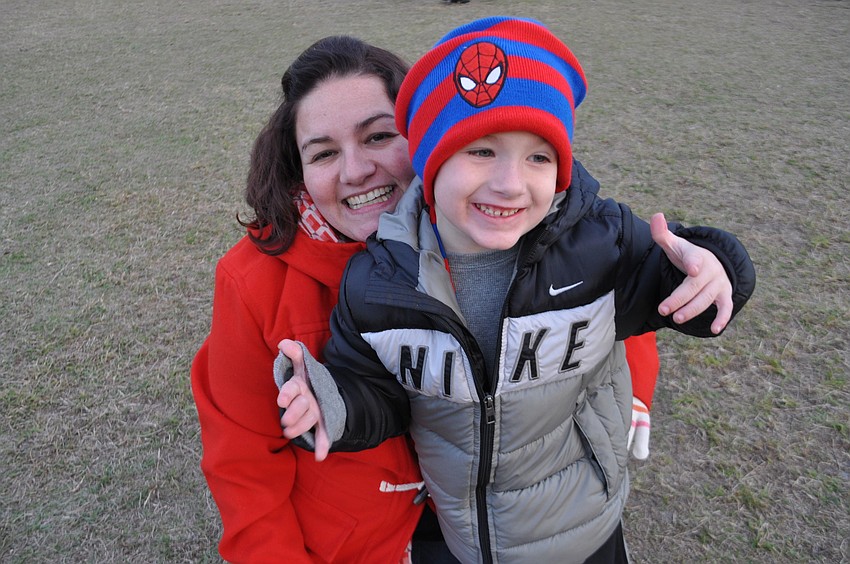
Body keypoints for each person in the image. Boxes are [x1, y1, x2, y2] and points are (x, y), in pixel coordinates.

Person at [276, 16, 755, 564]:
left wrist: (716, 266)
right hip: (462, 541)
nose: (510, 182)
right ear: (430, 163)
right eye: (481, 151)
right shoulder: (378, 282)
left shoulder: (599, 245)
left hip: (587, 533)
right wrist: (329, 403)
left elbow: (681, 294)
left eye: (539, 157)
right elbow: (379, 394)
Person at [191, 35, 447, 563]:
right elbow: (243, 464)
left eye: (379, 136)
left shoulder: (476, 218)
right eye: (325, 152)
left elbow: (576, 277)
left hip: (485, 517)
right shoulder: (251, 282)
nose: (354, 171)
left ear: (423, 132)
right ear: (298, 168)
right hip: (354, 545)